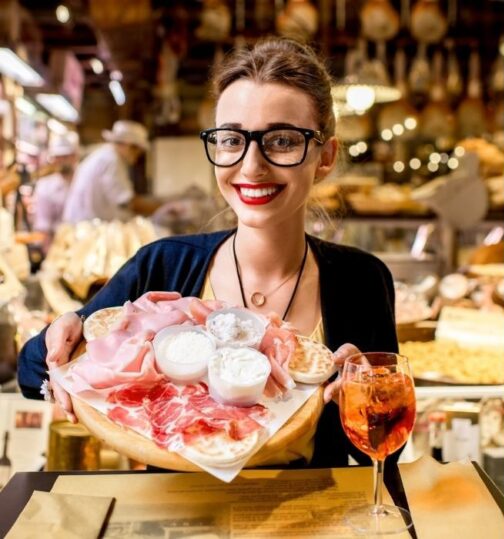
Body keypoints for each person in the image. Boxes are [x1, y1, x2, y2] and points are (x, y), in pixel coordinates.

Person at [18, 38, 399, 469]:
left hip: (310, 523)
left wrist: (369, 397)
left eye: (282, 141)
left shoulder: (361, 278)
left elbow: (384, 446)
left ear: (325, 156)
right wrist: (62, 339)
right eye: (232, 139)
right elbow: (32, 371)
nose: (251, 166)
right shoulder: (163, 266)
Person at [61, 120, 163, 223]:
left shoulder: (106, 154)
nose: (137, 157)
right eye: (137, 151)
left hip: (84, 223)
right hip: (84, 227)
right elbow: (126, 201)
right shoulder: (112, 160)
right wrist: (162, 208)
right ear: (128, 145)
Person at [33, 135, 79, 244]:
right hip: (58, 245)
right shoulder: (45, 186)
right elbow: (43, 226)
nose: (61, 160)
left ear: (74, 156)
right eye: (58, 157)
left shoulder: (85, 182)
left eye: (65, 156)